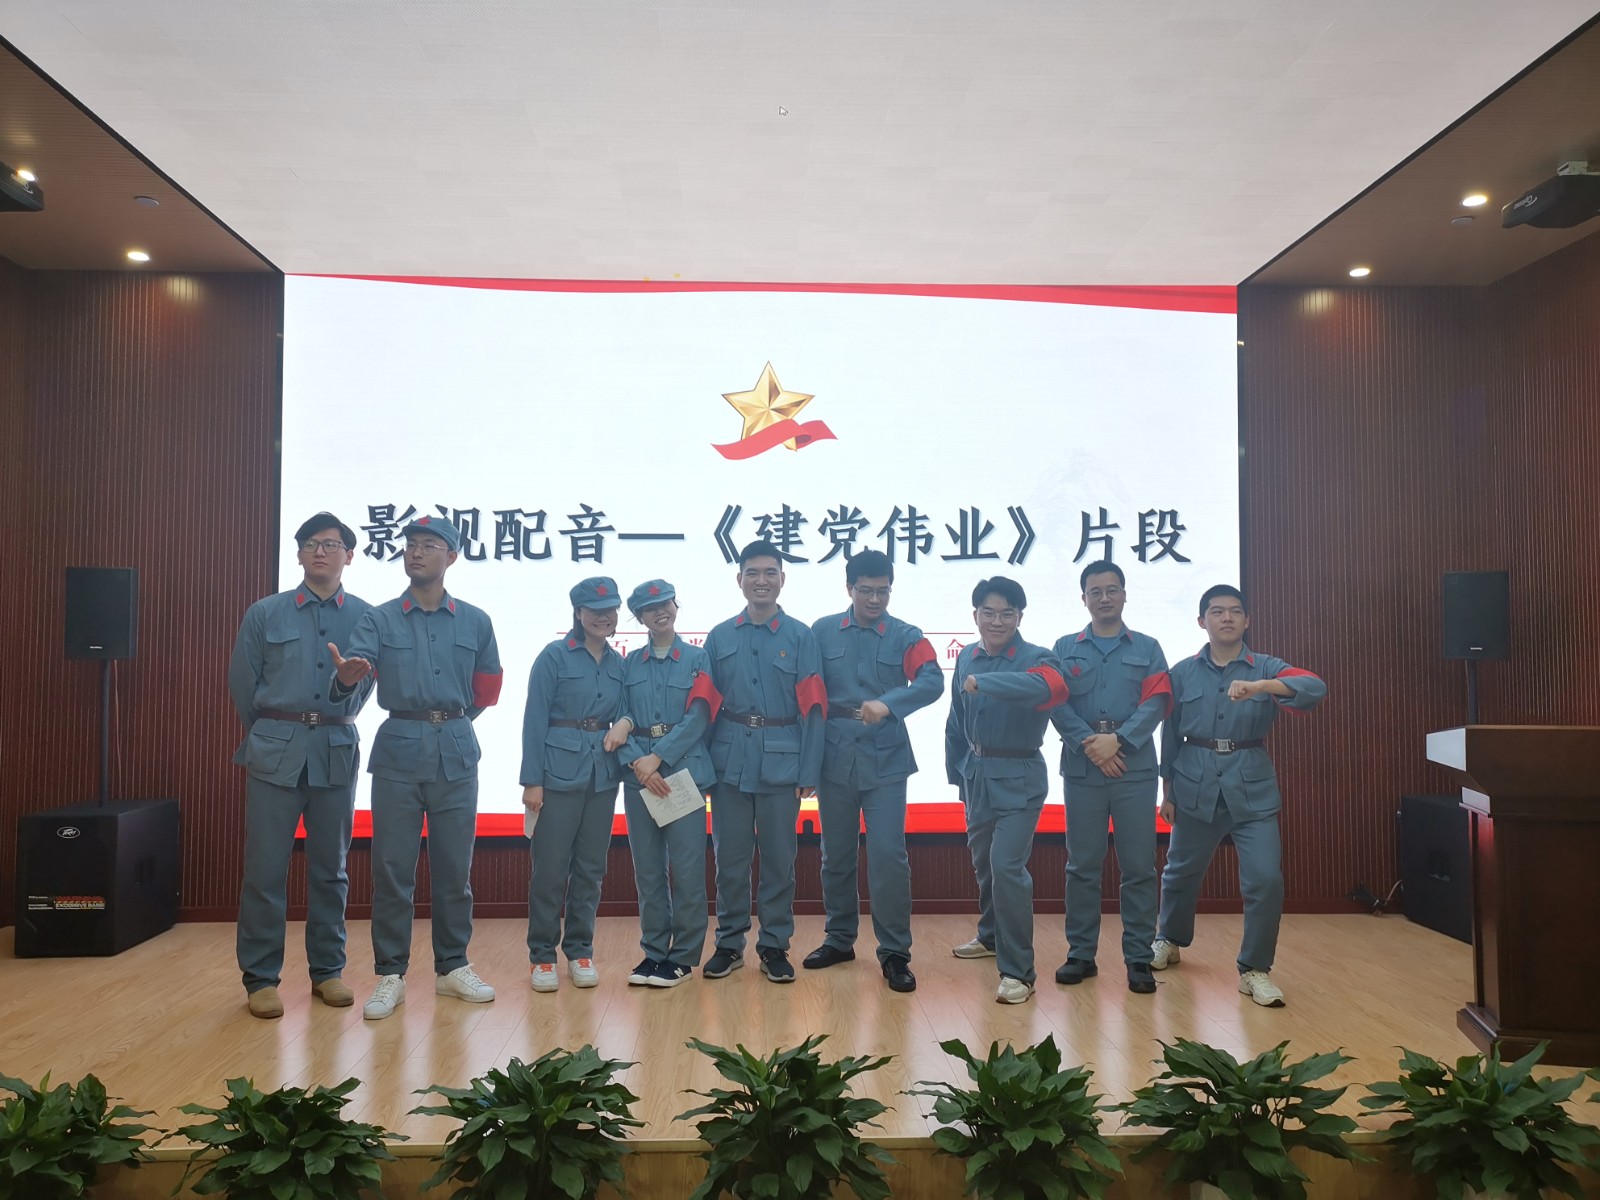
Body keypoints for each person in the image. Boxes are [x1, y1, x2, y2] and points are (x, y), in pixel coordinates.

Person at [329, 515, 502, 1020]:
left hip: (456, 751)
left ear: (451, 557)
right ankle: (390, 973)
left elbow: (486, 690)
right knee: (391, 869)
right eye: (410, 545)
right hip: (398, 753)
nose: (416, 552)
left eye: (429, 545)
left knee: (454, 869)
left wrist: (446, 721)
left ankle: (453, 967)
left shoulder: (476, 621)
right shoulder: (379, 619)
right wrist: (345, 680)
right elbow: (354, 672)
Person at [1150, 584, 1326, 1007]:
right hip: (1194, 782)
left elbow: (1314, 687)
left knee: (1265, 879)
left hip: (1251, 787)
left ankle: (1255, 969)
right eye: (1216, 611)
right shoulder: (1182, 671)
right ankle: (1169, 939)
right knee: (1180, 872)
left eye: (1234, 611)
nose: (1226, 618)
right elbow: (1170, 735)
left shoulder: (1266, 666)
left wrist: (1263, 685)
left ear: (1247, 620)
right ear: (1202, 621)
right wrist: (1167, 791)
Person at [227, 512, 373, 1019]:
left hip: (335, 746)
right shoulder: (265, 613)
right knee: (265, 869)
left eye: (331, 544)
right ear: (298, 554)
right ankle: (261, 979)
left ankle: (328, 972)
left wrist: (344, 687)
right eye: (311, 543)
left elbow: (363, 691)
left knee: (331, 869)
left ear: (349, 555)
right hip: (275, 749)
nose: (320, 551)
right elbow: (243, 686)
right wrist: (274, 729)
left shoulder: (366, 618)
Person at [805, 549, 944, 993]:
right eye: (866, 590)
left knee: (888, 855)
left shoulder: (907, 635)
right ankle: (839, 939)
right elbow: (807, 695)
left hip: (885, 759)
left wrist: (889, 704)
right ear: (849, 588)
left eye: (883, 591)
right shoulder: (822, 631)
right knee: (835, 855)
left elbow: (933, 681)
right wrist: (806, 764)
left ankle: (895, 952)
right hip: (833, 757)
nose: (875, 599)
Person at [701, 540, 825, 983]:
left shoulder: (802, 637)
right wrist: (702, 770)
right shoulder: (719, 636)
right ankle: (729, 944)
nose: (761, 581)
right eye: (752, 573)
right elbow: (705, 708)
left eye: (770, 572)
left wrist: (809, 770)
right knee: (730, 861)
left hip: (781, 762)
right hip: (729, 763)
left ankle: (774, 946)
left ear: (782, 579)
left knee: (778, 862)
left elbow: (813, 708)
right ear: (739, 579)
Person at [945, 576, 1069, 1005]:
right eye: (989, 613)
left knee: (1006, 868)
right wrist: (957, 775)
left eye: (1007, 614)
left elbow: (1049, 688)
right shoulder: (967, 657)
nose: (997, 621)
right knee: (984, 863)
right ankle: (990, 936)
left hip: (1020, 778)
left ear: (1019, 617)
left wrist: (988, 683)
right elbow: (956, 718)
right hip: (977, 775)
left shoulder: (1038, 657)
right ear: (975, 615)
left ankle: (1019, 972)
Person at [1049, 560, 1171, 995]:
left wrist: (1118, 741)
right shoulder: (1064, 647)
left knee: (1138, 866)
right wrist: (1092, 745)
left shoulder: (1148, 648)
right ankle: (1081, 954)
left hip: (1134, 768)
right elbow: (1055, 702)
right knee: (1082, 865)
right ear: (1083, 597)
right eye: (1095, 591)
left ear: (1124, 594)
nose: (1104, 598)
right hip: (1084, 767)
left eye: (1112, 589)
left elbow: (1157, 703)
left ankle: (1138, 957)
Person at [602, 579, 722, 988]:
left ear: (675, 606)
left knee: (686, 870)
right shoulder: (628, 664)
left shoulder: (698, 658)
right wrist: (639, 763)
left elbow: (700, 715)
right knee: (649, 871)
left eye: (665, 604)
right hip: (640, 777)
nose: (660, 612)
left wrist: (660, 757)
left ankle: (683, 957)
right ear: (639, 618)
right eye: (650, 609)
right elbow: (619, 716)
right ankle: (654, 952)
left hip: (683, 773)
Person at [520, 577, 626, 993]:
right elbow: (534, 719)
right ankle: (542, 956)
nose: (604, 617)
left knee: (591, 870)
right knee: (549, 870)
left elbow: (627, 712)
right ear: (578, 613)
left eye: (610, 610)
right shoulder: (554, 656)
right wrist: (532, 781)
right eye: (595, 610)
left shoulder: (619, 664)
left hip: (602, 777)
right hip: (556, 774)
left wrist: (624, 723)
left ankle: (580, 950)